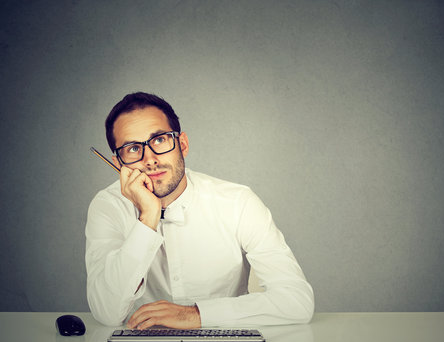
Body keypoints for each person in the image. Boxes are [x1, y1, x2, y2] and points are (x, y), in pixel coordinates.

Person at [85, 92, 314, 329]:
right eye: (133, 148)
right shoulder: (107, 206)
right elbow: (106, 313)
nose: (150, 159)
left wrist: (194, 315)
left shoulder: (238, 202)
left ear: (182, 144)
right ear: (117, 164)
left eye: (160, 140)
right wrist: (147, 219)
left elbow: (297, 301)